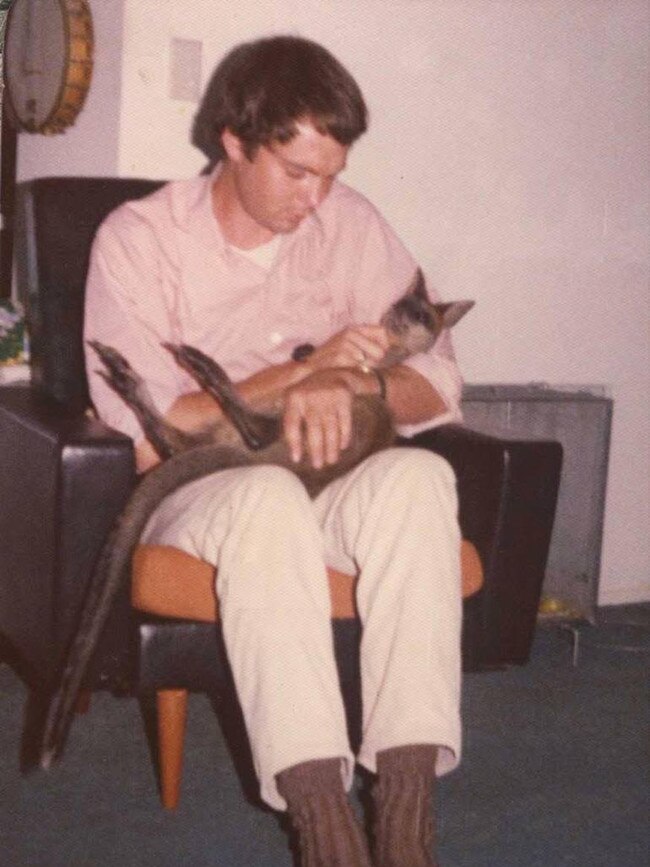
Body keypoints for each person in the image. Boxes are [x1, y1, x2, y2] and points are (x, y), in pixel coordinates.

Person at [84, 35, 463, 867]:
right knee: (266, 503)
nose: (318, 198)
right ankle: (325, 829)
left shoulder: (350, 223)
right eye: (297, 173)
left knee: (420, 479)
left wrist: (356, 388)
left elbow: (438, 378)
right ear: (233, 141)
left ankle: (405, 823)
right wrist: (299, 376)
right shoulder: (140, 238)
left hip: (330, 476)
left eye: (332, 173)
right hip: (204, 488)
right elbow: (152, 421)